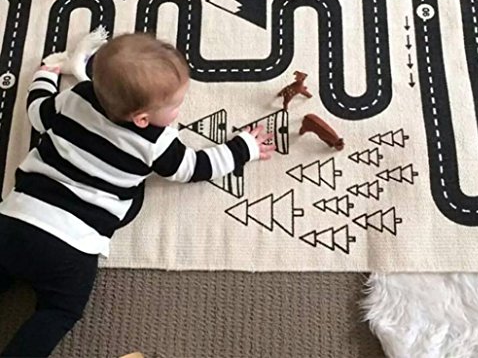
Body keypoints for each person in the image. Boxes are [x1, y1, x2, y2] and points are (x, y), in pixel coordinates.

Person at [0, 33, 275, 357]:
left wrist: (45, 77)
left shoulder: (77, 96)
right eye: (175, 106)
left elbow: (37, 113)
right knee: (59, 310)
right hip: (73, 244)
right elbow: (193, 168)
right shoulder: (156, 141)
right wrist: (243, 148)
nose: (178, 111)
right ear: (142, 119)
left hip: (16, 219)